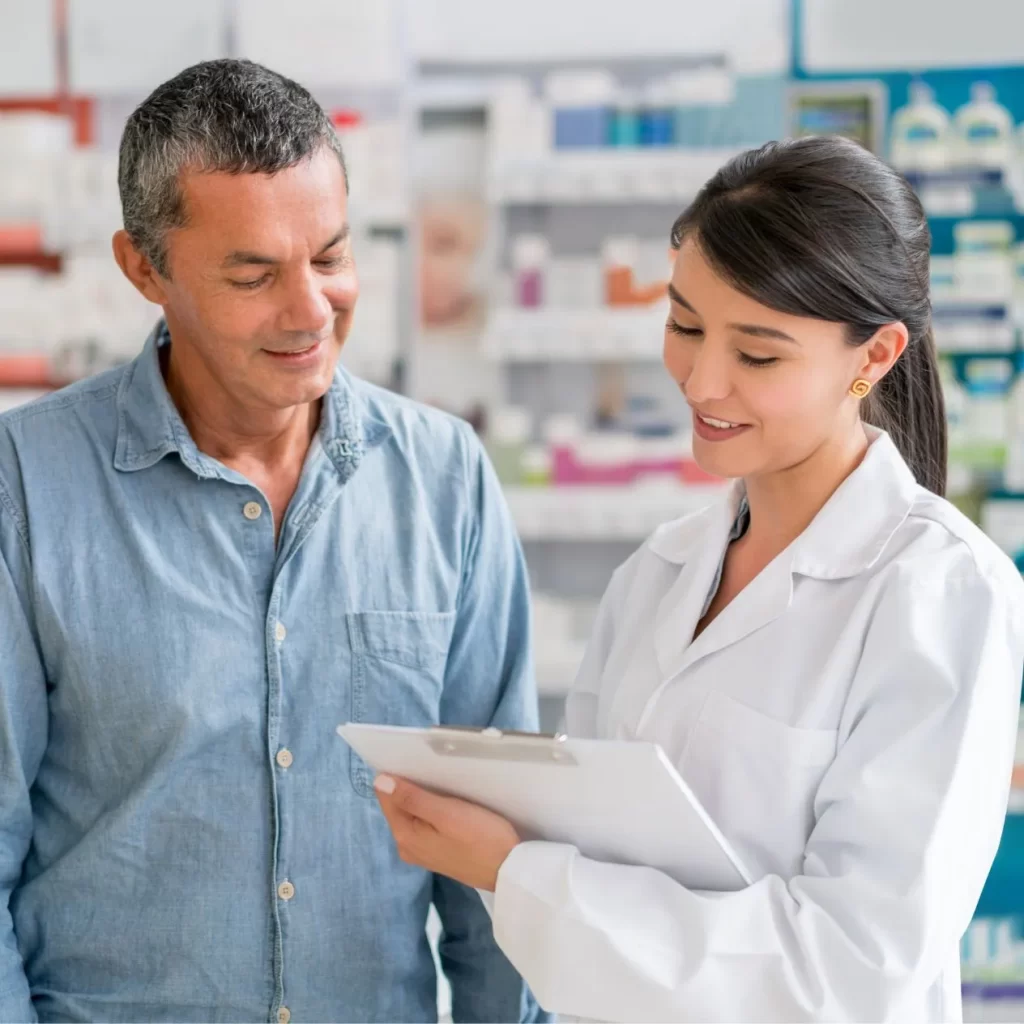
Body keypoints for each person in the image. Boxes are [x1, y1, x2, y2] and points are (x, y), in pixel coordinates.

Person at [375, 136, 1024, 1022]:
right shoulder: (658, 573)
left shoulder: (940, 593)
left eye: (757, 356)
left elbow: (854, 968)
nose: (702, 380)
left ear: (873, 357)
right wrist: (510, 839)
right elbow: (589, 882)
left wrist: (516, 868)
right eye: (684, 325)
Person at [0, 59, 546, 1024]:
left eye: (331, 257)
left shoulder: (444, 480)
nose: (310, 312)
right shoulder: (28, 485)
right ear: (142, 269)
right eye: (252, 274)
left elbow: (492, 862)